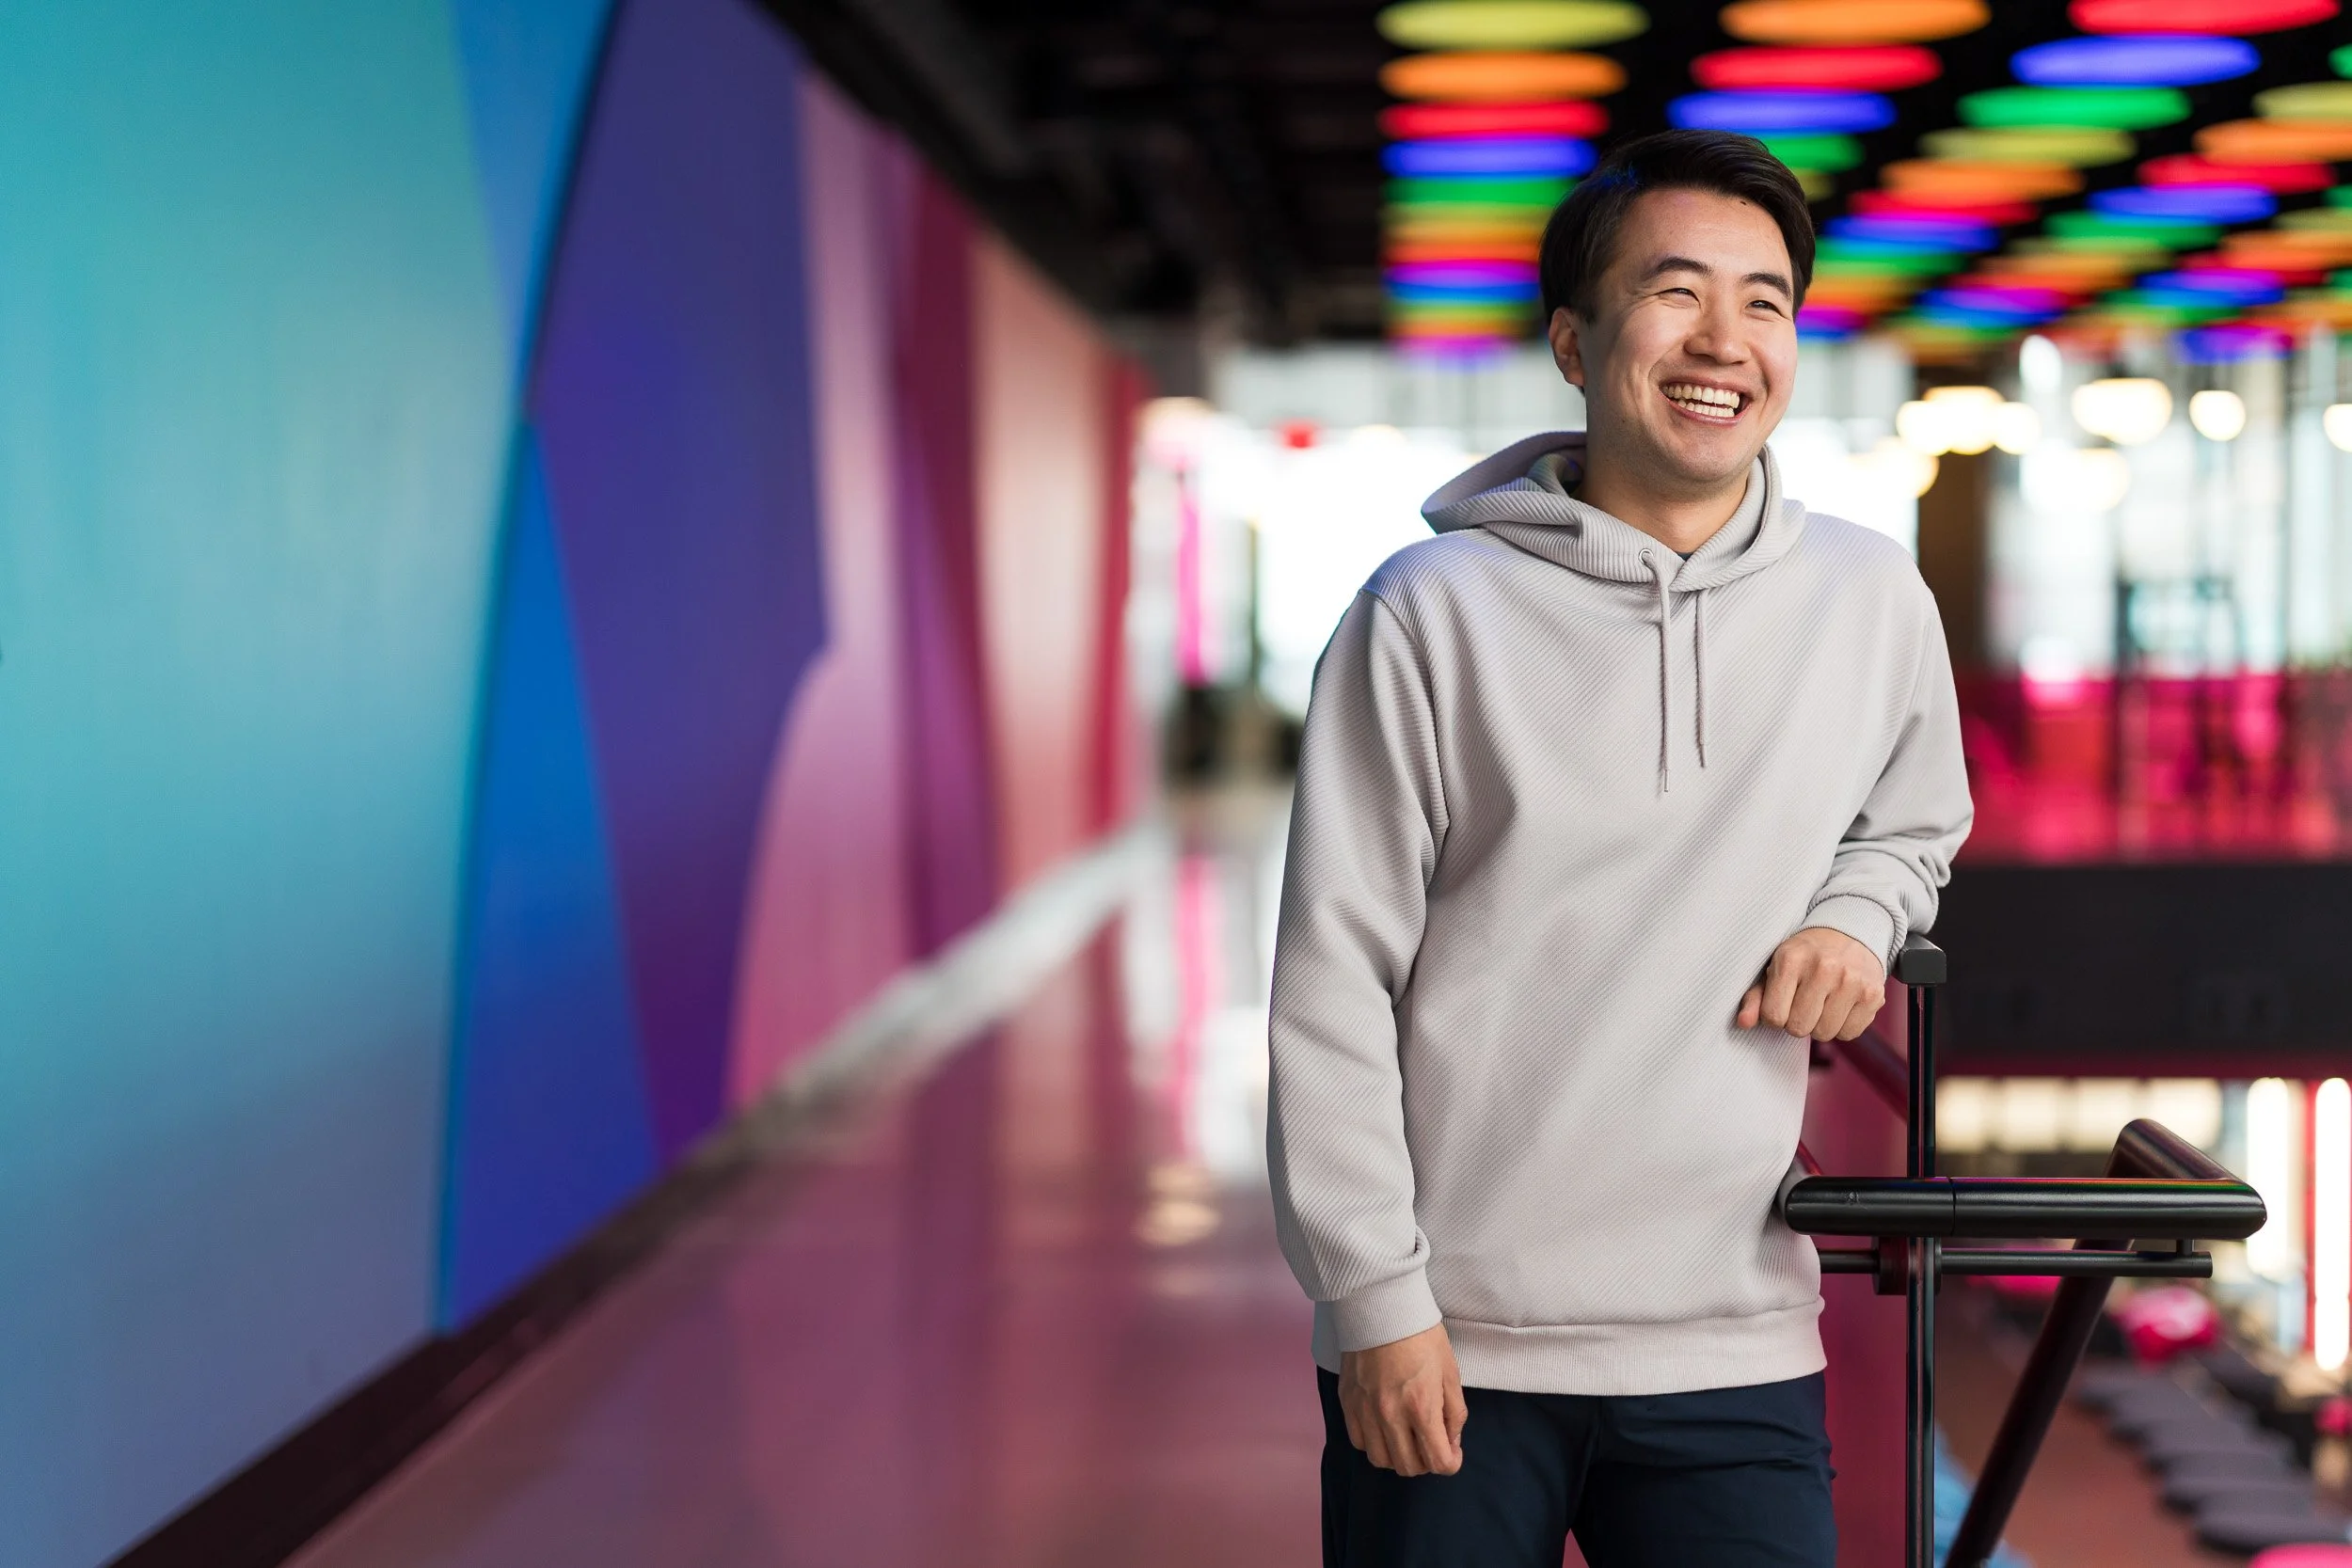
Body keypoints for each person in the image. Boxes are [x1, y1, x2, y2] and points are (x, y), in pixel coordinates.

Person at [1265, 129, 1975, 1567]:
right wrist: (1372, 1299)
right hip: (1451, 1335)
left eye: (1766, 301)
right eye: (1678, 292)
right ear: (1575, 344)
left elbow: (1915, 817)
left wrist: (1855, 913)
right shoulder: (1428, 613)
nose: (1727, 340)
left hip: (1734, 1334)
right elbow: (1333, 979)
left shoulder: (1870, 600)